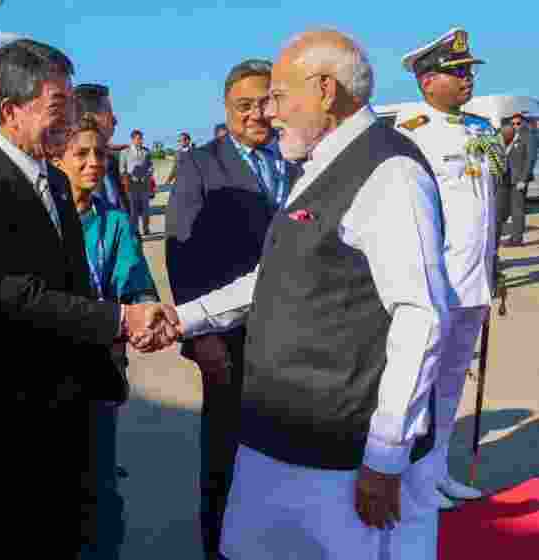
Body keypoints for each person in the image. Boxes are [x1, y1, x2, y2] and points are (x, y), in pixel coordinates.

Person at [184, 30, 450, 560]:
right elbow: (275, 277)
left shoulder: (388, 171)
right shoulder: (321, 163)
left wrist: (387, 454)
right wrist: (184, 318)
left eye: (279, 96)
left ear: (326, 90)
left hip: (344, 461)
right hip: (281, 442)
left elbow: (421, 317)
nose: (270, 112)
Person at [0, 38, 179, 558]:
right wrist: (121, 319)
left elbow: (74, 283)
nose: (71, 117)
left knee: (67, 530)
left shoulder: (53, 180)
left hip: (69, 396)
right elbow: (19, 299)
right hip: (13, 403)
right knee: (16, 532)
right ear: (12, 110)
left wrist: (121, 343)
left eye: (73, 104)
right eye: (59, 106)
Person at [166, 58, 298, 560]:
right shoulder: (201, 164)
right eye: (243, 105)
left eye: (264, 102)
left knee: (285, 448)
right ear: (226, 108)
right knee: (226, 454)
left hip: (293, 338)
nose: (255, 114)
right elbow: (182, 253)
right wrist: (199, 336)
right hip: (229, 337)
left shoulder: (299, 158)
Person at [395, 28, 504, 510]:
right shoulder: (410, 134)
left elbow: (487, 209)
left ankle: (436, 470)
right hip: (434, 284)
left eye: (469, 72)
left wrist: (492, 268)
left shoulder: (482, 130)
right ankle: (413, 480)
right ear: (426, 81)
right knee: (420, 383)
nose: (467, 80)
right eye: (457, 72)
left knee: (454, 380)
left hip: (473, 279)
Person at [53, 113, 161, 560]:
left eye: (99, 153)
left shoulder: (114, 221)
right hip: (47, 372)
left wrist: (147, 313)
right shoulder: (42, 221)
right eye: (81, 154)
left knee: (99, 488)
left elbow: (135, 283)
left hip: (99, 369)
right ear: (56, 159)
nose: (94, 162)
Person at [73, 83, 127, 211]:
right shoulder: (69, 168)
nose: (115, 121)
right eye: (109, 113)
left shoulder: (111, 161)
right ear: (90, 117)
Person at [502, 113, 535, 246]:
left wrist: (524, 179)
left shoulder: (528, 136)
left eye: (518, 123)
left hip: (519, 180)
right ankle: (513, 236)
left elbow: (530, 159)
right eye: (513, 123)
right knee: (506, 209)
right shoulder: (507, 136)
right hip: (506, 179)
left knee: (517, 210)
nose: (515, 126)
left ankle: (516, 239)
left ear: (523, 123)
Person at [120, 130, 154, 236]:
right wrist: (129, 176)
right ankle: (135, 229)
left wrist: (147, 174)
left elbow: (151, 167)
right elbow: (122, 169)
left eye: (141, 138)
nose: (140, 141)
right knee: (133, 208)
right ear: (133, 139)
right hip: (131, 184)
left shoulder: (146, 152)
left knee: (146, 208)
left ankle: (146, 228)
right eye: (138, 138)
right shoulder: (124, 152)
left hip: (144, 184)